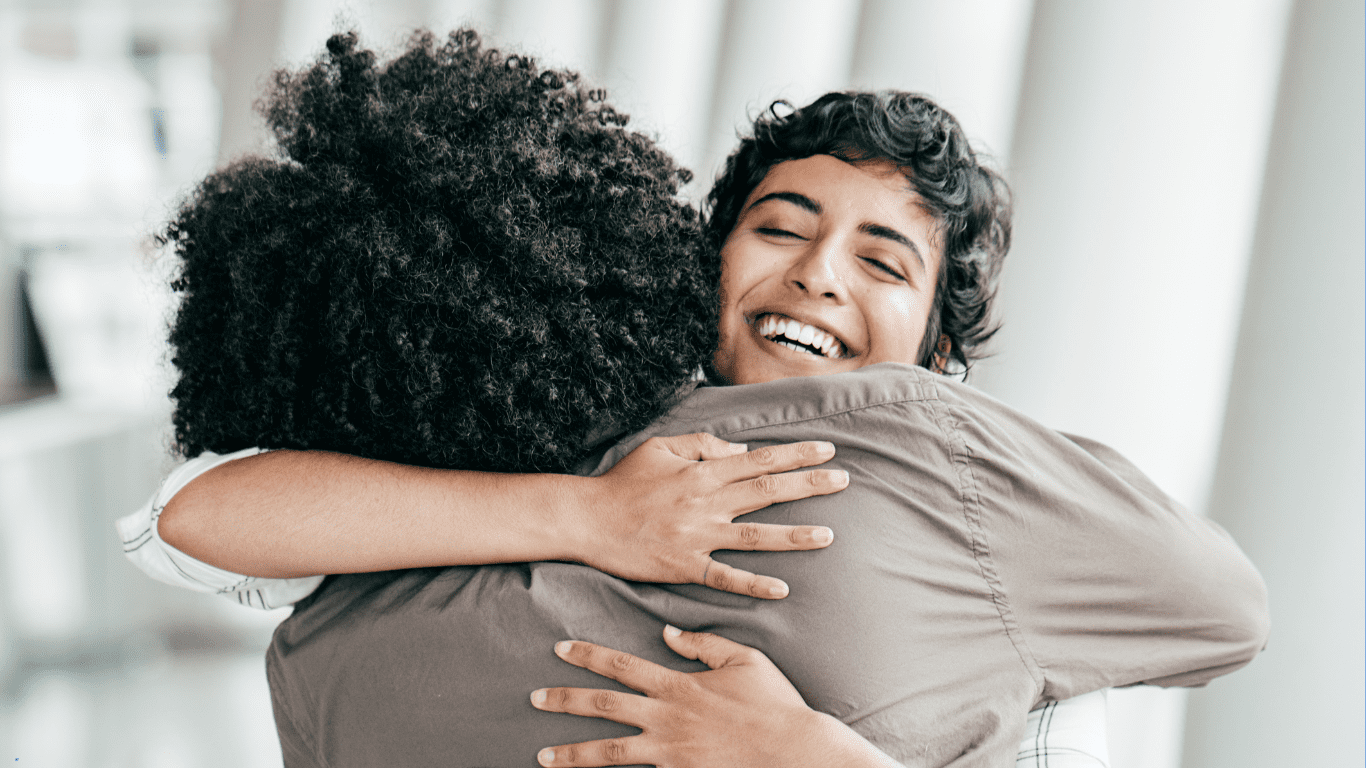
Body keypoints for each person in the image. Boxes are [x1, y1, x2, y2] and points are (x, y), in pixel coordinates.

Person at [119, 30, 1267, 767]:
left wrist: (799, 757)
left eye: (883, 261)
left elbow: (1227, 614)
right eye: (779, 229)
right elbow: (200, 519)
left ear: (933, 346)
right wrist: (588, 515)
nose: (817, 272)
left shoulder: (966, 502)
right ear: (698, 264)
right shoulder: (550, 416)